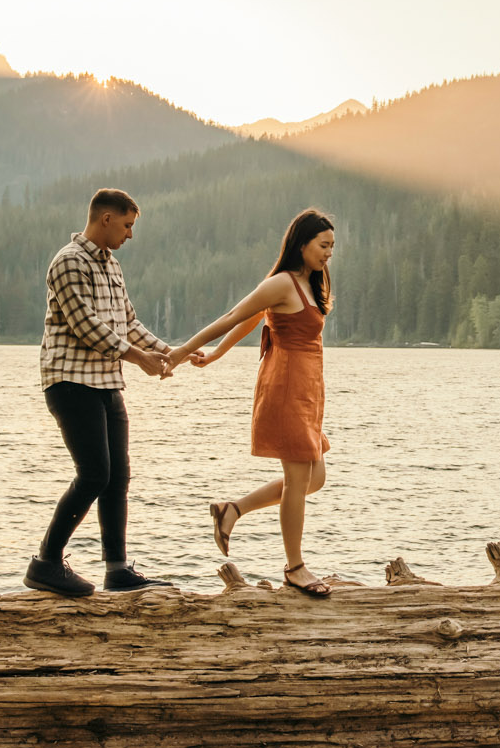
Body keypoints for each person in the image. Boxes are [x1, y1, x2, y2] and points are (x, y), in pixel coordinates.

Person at [167, 209, 336, 598]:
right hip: (287, 388)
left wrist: (217, 356)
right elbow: (235, 315)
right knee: (297, 481)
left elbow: (254, 320)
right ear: (302, 244)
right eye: (323, 245)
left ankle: (233, 509)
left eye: (332, 247)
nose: (329, 254)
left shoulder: (309, 283)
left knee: (315, 480)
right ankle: (295, 568)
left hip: (308, 390)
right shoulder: (281, 282)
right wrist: (185, 352)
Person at [25, 187, 177, 597]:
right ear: (105, 219)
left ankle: (117, 570)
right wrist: (138, 358)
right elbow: (86, 326)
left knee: (118, 477)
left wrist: (170, 351)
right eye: (127, 225)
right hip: (70, 382)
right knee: (94, 474)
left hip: (106, 382)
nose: (130, 235)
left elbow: (127, 322)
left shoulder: (112, 266)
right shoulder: (68, 262)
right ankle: (45, 563)